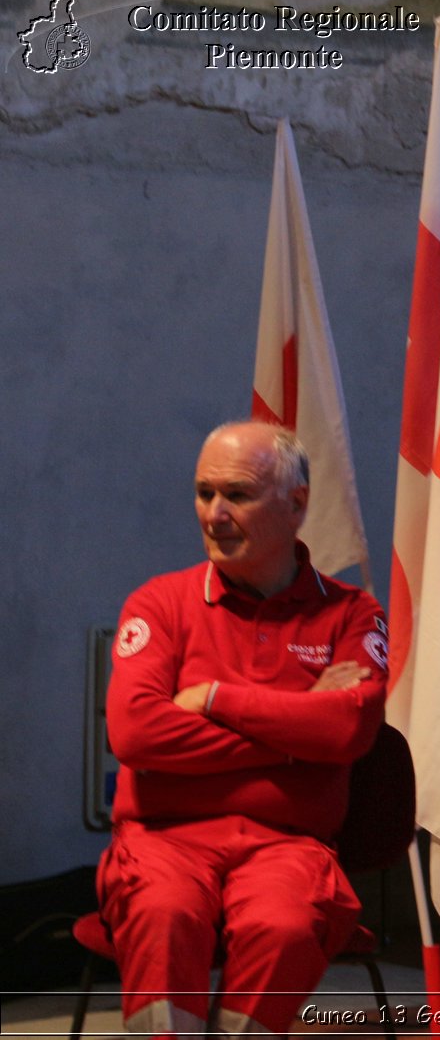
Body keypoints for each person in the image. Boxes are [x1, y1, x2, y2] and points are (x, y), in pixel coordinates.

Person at [96, 421, 388, 1038]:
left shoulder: (354, 613)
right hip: (163, 839)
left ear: (298, 504)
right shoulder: (158, 604)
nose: (215, 514)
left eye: (238, 495)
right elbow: (136, 734)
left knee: (284, 925)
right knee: (164, 912)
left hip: (288, 845)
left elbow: (350, 732)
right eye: (204, 493)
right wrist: (296, 735)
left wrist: (215, 699)